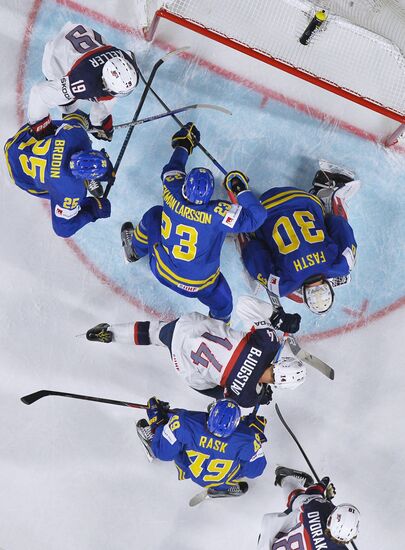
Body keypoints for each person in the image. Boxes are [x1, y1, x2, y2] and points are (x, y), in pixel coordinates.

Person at [120, 122, 267, 323]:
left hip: (161, 270)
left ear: (185, 186)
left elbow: (173, 168)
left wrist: (184, 145)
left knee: (155, 215)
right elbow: (257, 218)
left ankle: (134, 251)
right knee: (224, 304)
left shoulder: (172, 190)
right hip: (200, 285)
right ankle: (218, 325)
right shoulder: (219, 212)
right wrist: (240, 189)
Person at [85, 294, 305, 408]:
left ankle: (111, 332)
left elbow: (244, 304)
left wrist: (276, 317)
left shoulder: (268, 343)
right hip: (186, 366)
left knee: (156, 332)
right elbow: (234, 399)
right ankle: (115, 334)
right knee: (220, 393)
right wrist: (258, 395)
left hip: (189, 328)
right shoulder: (248, 398)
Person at [242, 161, 360, 314]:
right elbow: (252, 251)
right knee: (252, 249)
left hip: (304, 199)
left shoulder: (343, 265)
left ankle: (326, 189)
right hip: (262, 207)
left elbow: (337, 223)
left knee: (331, 224)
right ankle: (241, 206)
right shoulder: (282, 286)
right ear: (304, 294)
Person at [4, 111, 112, 237]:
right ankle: (86, 191)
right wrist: (93, 211)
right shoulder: (71, 191)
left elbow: (64, 126)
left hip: (16, 145)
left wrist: (79, 122)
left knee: (72, 124)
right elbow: (63, 229)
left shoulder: (76, 134)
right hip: (20, 177)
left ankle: (73, 115)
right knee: (70, 197)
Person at [27, 22, 139, 141]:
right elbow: (39, 93)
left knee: (108, 94)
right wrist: (41, 127)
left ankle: (95, 119)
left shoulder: (127, 61)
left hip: (82, 38)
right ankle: (71, 111)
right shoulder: (82, 82)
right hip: (57, 56)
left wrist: (99, 122)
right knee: (67, 107)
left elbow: (110, 93)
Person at [136, 397, 267, 498]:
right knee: (242, 461)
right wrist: (254, 435)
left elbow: (164, 454)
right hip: (223, 478)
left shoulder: (184, 422)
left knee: (166, 442)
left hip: (191, 470)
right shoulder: (248, 440)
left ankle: (152, 443)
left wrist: (158, 422)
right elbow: (255, 471)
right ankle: (222, 488)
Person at [257, 466, 360, 549]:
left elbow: (311, 493)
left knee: (297, 499)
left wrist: (320, 490)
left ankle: (284, 477)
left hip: (268, 540)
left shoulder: (318, 508)